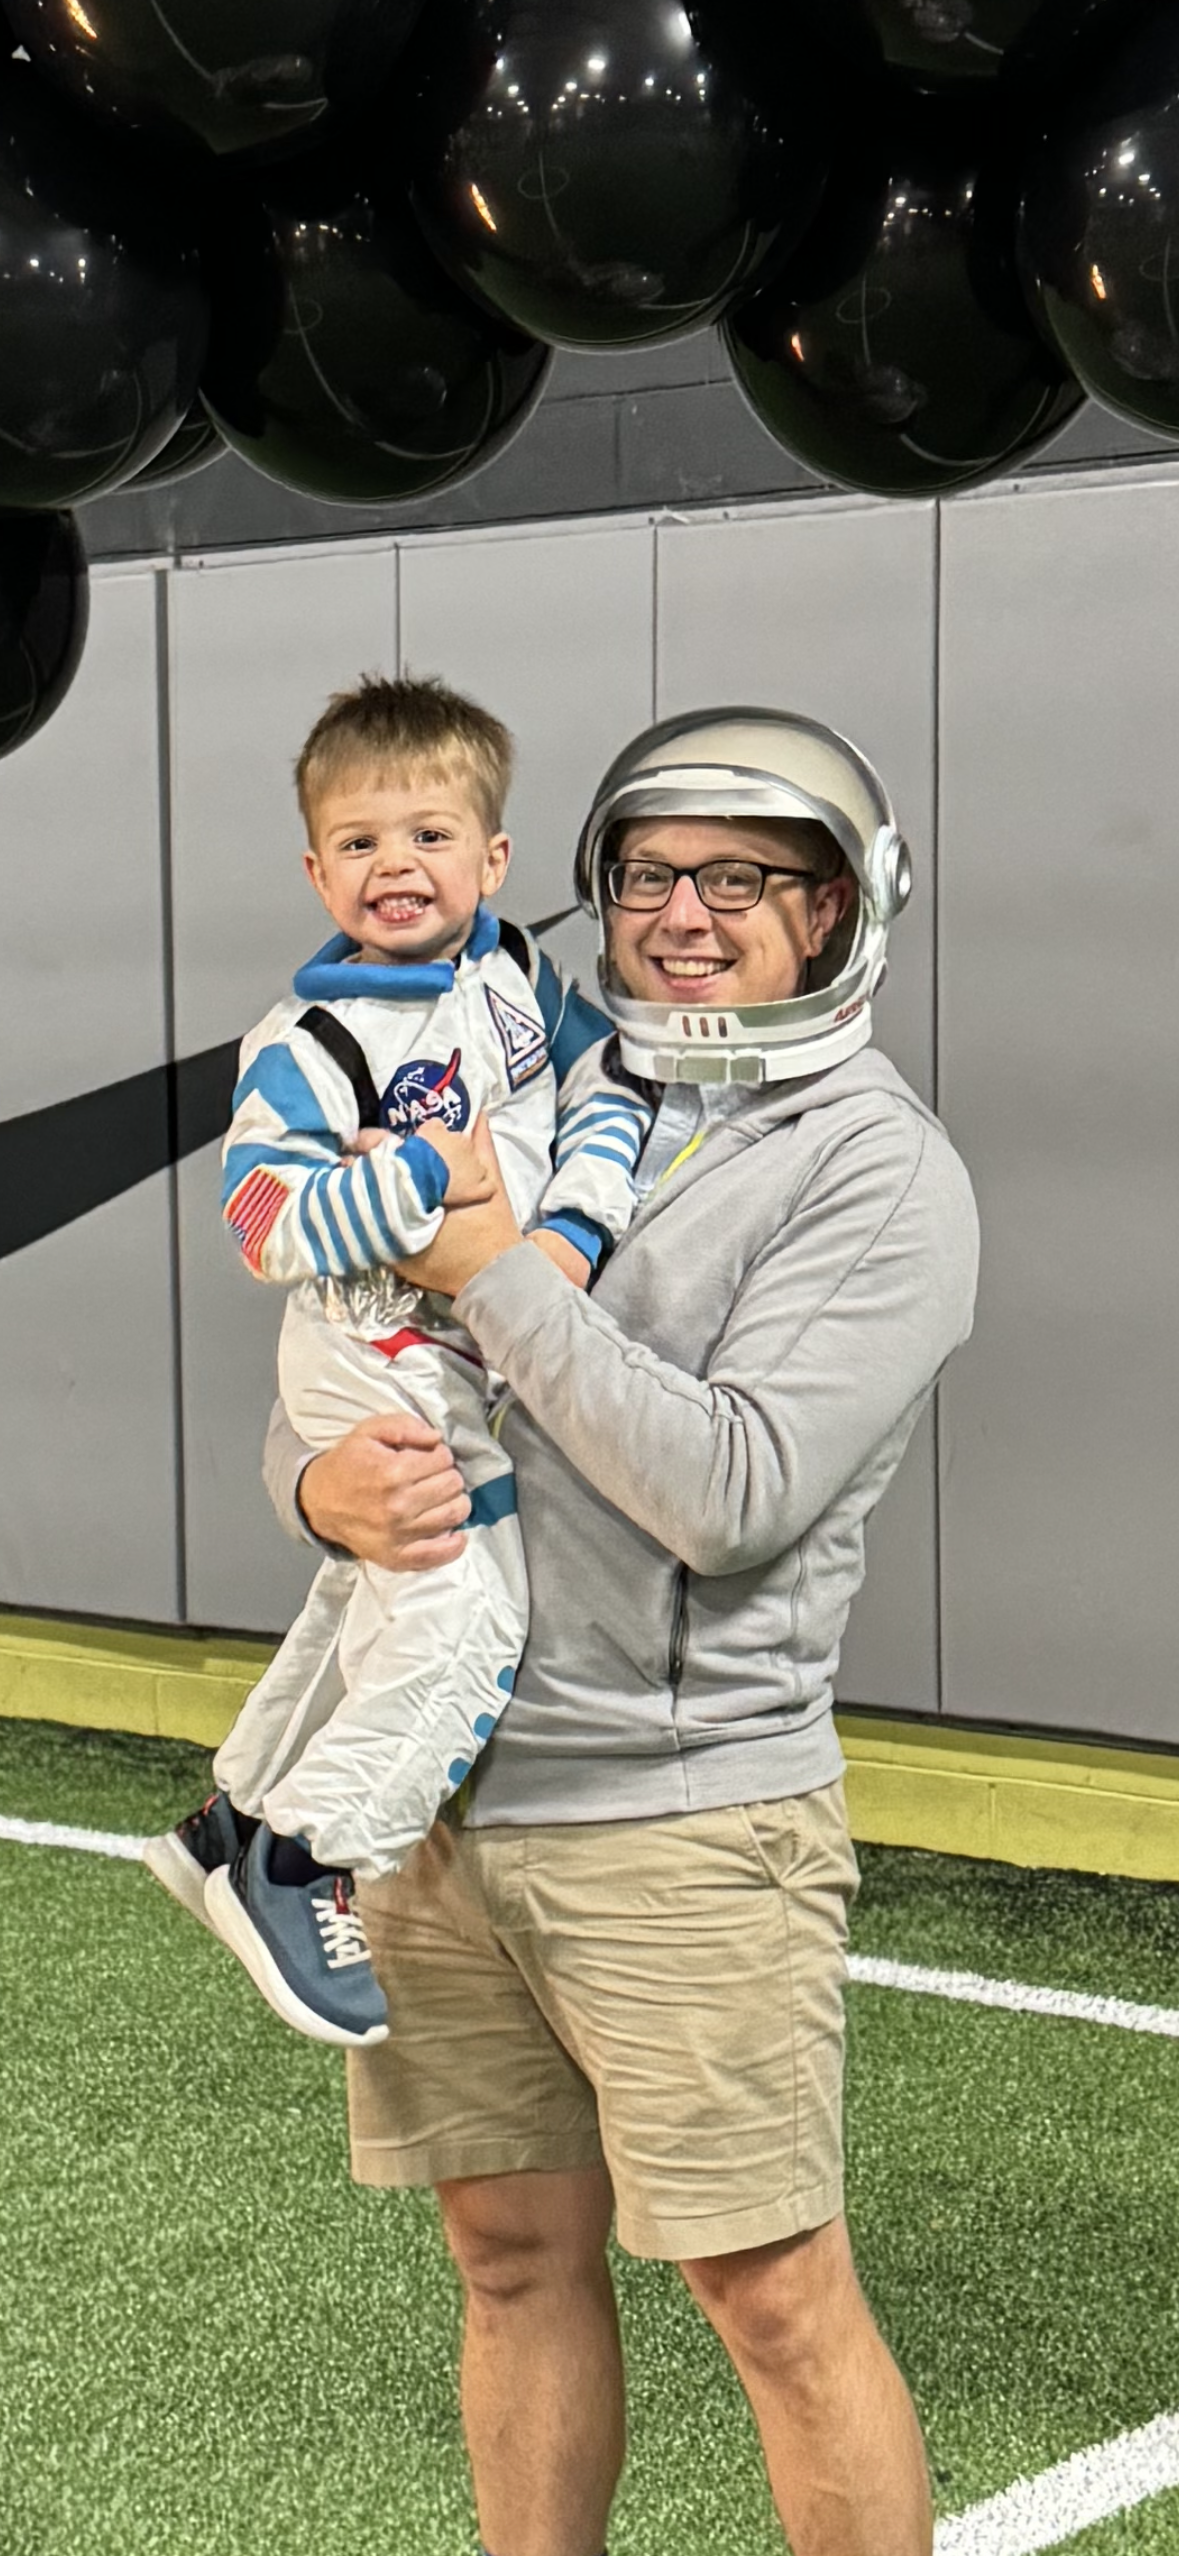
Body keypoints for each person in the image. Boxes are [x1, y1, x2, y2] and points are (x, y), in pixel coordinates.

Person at [264, 708, 980, 2556]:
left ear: (833, 911)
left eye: (741, 876)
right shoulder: (525, 1080)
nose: (683, 911)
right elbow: (356, 1357)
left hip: (678, 1817)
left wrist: (492, 1267)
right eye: (652, 871)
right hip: (435, 1799)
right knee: (506, 2260)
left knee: (771, 2299)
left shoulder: (876, 1170)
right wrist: (316, 1488)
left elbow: (730, 1490)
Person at [144, 674, 651, 2049]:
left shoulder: (514, 977)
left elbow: (610, 1087)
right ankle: (308, 1854)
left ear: (493, 856)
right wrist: (422, 1181)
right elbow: (261, 1222)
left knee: (377, 1585)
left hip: (465, 1342)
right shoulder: (307, 1044)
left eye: (430, 835)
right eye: (359, 842)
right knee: (468, 1609)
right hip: (367, 1347)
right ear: (316, 871)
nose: (397, 866)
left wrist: (567, 1234)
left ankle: (235, 1815)